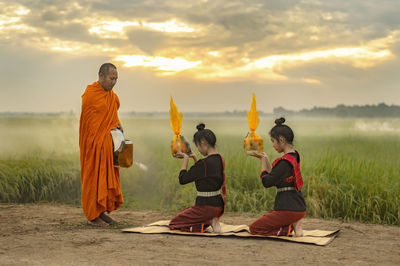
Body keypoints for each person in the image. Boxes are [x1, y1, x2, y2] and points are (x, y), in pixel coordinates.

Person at [79, 63, 124, 226]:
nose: (114, 82)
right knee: (93, 177)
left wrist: (118, 126)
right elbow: (91, 125)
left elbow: (112, 117)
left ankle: (102, 211)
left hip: (107, 144)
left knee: (105, 178)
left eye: (116, 79)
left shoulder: (113, 97)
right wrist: (103, 135)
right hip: (94, 145)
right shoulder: (91, 95)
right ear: (101, 76)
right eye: (111, 78)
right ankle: (92, 215)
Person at [248, 117, 306, 237]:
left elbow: (267, 181)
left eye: (273, 141)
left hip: (288, 209)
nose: (273, 145)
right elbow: (275, 175)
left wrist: (263, 163)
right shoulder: (294, 156)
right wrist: (265, 158)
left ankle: (288, 227)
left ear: (281, 140)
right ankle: (295, 222)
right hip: (298, 207)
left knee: (254, 228)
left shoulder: (284, 162)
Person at [169, 123, 226, 233]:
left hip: (206, 208)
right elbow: (204, 176)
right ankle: (211, 219)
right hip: (218, 206)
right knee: (186, 212)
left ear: (203, 143)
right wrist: (195, 157)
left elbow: (183, 179)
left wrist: (185, 158)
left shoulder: (203, 164)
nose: (199, 150)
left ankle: (209, 221)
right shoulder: (219, 159)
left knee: (174, 223)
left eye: (198, 147)